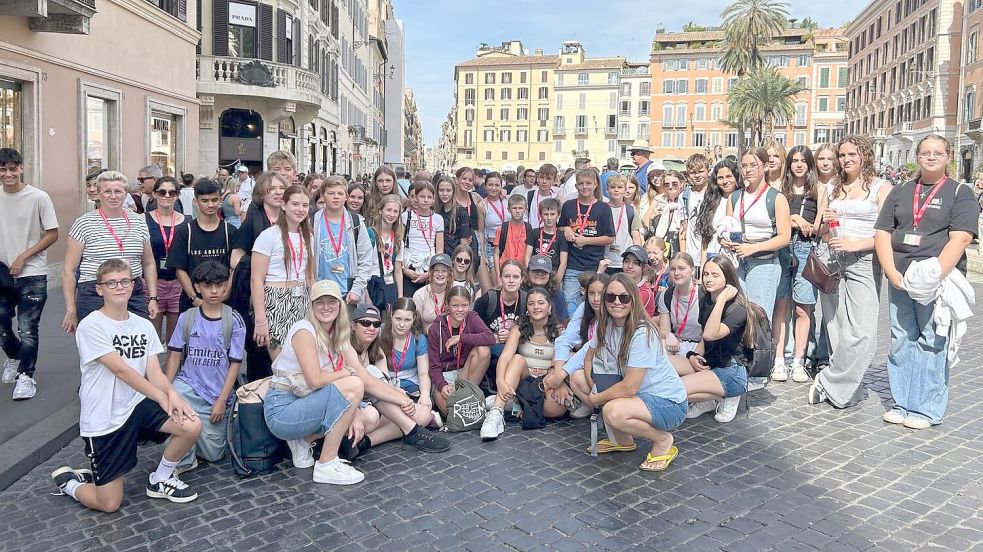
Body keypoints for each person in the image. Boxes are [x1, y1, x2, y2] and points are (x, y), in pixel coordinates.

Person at [52, 259, 202, 512]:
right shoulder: (91, 325)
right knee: (109, 504)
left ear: (133, 285)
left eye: (124, 281)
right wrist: (162, 398)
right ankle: (70, 483)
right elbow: (121, 370)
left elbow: (153, 370)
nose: (119, 287)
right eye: (111, 283)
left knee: (191, 424)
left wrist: (173, 396)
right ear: (100, 289)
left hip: (136, 404)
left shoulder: (143, 324)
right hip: (105, 416)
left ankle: (161, 478)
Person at [872, 135, 979, 428]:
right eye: (926, 153)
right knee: (901, 339)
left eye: (938, 153)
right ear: (918, 157)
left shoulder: (960, 192)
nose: (931, 157)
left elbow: (961, 237)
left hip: (936, 281)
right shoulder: (901, 190)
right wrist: (892, 271)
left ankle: (926, 408)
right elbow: (882, 231)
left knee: (932, 340)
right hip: (901, 278)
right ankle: (902, 402)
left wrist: (933, 276)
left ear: (948, 157)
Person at [811, 135, 892, 409]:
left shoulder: (881, 187)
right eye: (842, 155)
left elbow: (888, 233)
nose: (846, 160)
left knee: (864, 330)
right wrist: (824, 227)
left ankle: (829, 380)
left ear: (864, 156)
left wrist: (856, 244)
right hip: (832, 259)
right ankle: (848, 390)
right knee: (836, 325)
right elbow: (819, 229)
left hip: (865, 260)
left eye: (852, 155)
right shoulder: (832, 186)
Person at [263, 280, 366, 485]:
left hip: (305, 400)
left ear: (340, 305)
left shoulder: (336, 332)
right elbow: (316, 380)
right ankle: (327, 463)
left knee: (367, 416)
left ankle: (303, 441)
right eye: (319, 302)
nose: (326, 307)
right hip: (283, 408)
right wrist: (347, 373)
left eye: (331, 301)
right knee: (354, 385)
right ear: (311, 305)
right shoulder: (304, 331)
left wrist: (355, 412)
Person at [583, 273, 688, 471]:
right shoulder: (605, 323)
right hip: (638, 395)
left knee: (612, 410)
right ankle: (623, 441)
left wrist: (597, 399)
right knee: (580, 380)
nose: (616, 302)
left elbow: (630, 387)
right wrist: (591, 387)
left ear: (633, 300)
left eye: (624, 298)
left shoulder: (642, 332)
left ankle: (663, 440)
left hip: (668, 402)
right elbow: (587, 358)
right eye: (610, 297)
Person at [163, 260, 246, 472]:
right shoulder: (187, 317)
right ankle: (182, 459)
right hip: (188, 386)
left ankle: (193, 439)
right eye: (208, 286)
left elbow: (235, 364)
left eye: (219, 285)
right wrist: (167, 390)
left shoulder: (234, 321)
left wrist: (221, 399)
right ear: (198, 287)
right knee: (176, 411)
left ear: (226, 285)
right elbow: (174, 356)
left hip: (216, 393)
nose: (214, 291)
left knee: (213, 454)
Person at [346, 303, 448, 456]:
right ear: (353, 326)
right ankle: (412, 431)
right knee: (375, 411)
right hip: (353, 408)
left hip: (374, 404)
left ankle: (364, 442)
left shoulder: (376, 349)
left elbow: (384, 383)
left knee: (424, 414)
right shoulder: (346, 347)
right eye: (365, 323)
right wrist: (402, 399)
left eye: (376, 324)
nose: (371, 328)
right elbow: (369, 382)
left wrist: (403, 396)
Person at [63, 171, 159, 332]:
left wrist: (153, 298)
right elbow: (69, 270)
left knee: (137, 343)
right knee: (98, 349)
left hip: (131, 291)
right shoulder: (84, 224)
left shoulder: (139, 222)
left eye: (118, 191)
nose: (113, 196)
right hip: (95, 292)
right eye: (107, 191)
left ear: (125, 194)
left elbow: (148, 263)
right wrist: (71, 309)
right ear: (99, 194)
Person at [0, 147, 59, 400]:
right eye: (3, 169)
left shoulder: (38, 197)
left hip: (31, 274)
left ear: (21, 168)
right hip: (1, 272)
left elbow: (52, 233)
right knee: (2, 325)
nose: (8, 174)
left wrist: (24, 256)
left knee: (27, 327)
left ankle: (27, 376)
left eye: (12, 169)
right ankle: (14, 357)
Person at [673, 256, 754, 424]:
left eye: (715, 275)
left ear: (728, 278)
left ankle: (730, 394)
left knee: (677, 389)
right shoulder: (705, 299)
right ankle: (708, 400)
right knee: (664, 364)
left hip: (730, 370)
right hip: (709, 362)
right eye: (706, 274)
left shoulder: (737, 309)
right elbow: (704, 337)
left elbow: (711, 334)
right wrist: (693, 356)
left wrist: (722, 300)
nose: (708, 279)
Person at [480, 288, 565, 440]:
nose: (536, 307)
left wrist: (557, 380)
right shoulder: (518, 328)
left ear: (549, 307)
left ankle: (515, 404)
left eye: (541, 303)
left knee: (555, 410)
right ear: (527, 309)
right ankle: (496, 412)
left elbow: (560, 363)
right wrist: (500, 381)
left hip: (546, 381)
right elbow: (505, 357)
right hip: (524, 377)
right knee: (517, 359)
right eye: (531, 303)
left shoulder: (559, 332)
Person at [721, 148, 792, 324]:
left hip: (764, 262)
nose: (748, 170)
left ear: (766, 166)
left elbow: (784, 237)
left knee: (758, 316)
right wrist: (723, 239)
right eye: (744, 166)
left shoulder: (776, 198)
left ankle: (761, 351)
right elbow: (727, 226)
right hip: (738, 262)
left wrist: (753, 247)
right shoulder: (735, 197)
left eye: (754, 165)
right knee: (737, 313)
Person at [771, 146, 824, 383]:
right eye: (794, 160)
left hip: (806, 249)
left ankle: (799, 361)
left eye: (803, 160)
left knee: (804, 308)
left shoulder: (820, 190)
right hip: (783, 249)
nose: (799, 164)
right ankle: (779, 359)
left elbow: (819, 227)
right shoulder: (780, 188)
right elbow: (774, 221)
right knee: (781, 306)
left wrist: (804, 224)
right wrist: (793, 218)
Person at [251, 185, 314, 360]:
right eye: (295, 204)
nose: (300, 210)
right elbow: (256, 280)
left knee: (301, 360)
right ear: (284, 205)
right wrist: (261, 319)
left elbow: (310, 275)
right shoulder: (268, 236)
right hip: (275, 300)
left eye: (305, 205)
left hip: (302, 299)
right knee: (281, 363)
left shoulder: (308, 236)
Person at [168, 178, 239, 313]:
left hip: (224, 303)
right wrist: (194, 298)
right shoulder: (185, 232)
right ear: (196, 202)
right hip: (192, 304)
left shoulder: (230, 232)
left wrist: (225, 294)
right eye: (205, 201)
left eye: (214, 200)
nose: (210, 205)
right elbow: (180, 269)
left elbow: (234, 268)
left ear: (220, 201)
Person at [427, 285, 495, 416]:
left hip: (465, 373)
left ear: (469, 305)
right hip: (444, 376)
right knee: (451, 413)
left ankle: (469, 397)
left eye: (464, 305)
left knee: (483, 349)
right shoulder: (436, 328)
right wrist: (442, 386)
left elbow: (490, 338)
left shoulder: (472, 317)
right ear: (447, 305)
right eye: (455, 306)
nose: (460, 310)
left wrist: (461, 338)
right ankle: (470, 406)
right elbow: (434, 366)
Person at [559, 169, 615, 317]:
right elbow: (559, 226)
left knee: (594, 306)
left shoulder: (603, 208)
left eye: (588, 183)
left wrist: (586, 240)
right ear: (576, 186)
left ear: (596, 185)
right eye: (581, 184)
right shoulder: (568, 206)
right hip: (572, 265)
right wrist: (566, 229)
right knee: (569, 305)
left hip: (594, 266)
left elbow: (610, 237)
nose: (584, 187)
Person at [312, 176, 375, 304]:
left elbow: (366, 259)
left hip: (348, 293)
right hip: (320, 292)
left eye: (340, 193)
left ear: (346, 197)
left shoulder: (356, 223)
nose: (336, 197)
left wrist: (357, 289)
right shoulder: (312, 223)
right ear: (322, 196)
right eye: (331, 193)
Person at [145, 177, 186, 343]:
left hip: (178, 283)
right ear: (155, 194)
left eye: (172, 192)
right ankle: (151, 370)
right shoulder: (143, 220)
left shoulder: (187, 221)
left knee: (175, 341)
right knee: (151, 339)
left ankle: (172, 370)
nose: (167, 195)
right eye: (162, 192)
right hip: (152, 283)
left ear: (177, 195)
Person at [473, 260, 527, 387]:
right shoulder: (487, 300)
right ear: (500, 278)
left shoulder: (526, 300)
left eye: (516, 277)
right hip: (492, 351)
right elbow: (472, 328)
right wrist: (490, 337)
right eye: (507, 276)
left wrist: (513, 337)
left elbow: (533, 330)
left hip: (517, 350)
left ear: (522, 279)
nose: (511, 281)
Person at [378, 298, 433, 403]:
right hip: (385, 383)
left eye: (407, 320)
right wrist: (394, 390)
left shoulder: (418, 339)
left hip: (411, 385)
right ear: (391, 315)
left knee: (422, 408)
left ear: (414, 318)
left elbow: (423, 373)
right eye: (398, 319)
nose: (402, 325)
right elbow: (380, 373)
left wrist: (425, 395)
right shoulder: (380, 333)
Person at [397, 181, 443, 298]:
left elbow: (439, 250)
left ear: (434, 199)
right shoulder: (405, 216)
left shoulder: (438, 219)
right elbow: (399, 244)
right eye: (422, 196)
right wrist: (404, 269)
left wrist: (429, 274)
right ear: (416, 198)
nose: (426, 200)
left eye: (429, 197)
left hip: (429, 266)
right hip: (409, 265)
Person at [658, 253, 702, 356]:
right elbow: (664, 329)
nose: (676, 273)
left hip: (699, 346)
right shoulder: (666, 295)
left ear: (692, 270)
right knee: (657, 347)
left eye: (681, 268)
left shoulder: (703, 295)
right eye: (673, 269)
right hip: (677, 343)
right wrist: (668, 335)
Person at [455, 167, 490, 291]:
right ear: (457, 179)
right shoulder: (450, 198)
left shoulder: (475, 197)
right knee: (460, 288)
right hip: (457, 245)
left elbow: (481, 230)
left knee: (487, 289)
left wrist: (483, 253)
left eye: (470, 180)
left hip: (476, 244)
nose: (467, 182)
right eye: (464, 178)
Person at [599, 174, 643, 274]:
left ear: (624, 189)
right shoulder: (602, 209)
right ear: (607, 189)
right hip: (605, 259)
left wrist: (639, 258)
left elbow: (636, 236)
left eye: (619, 187)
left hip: (625, 261)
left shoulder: (630, 210)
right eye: (612, 187)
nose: (616, 190)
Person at [366, 194, 402, 310]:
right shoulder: (370, 234)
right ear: (381, 210)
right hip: (372, 284)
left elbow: (397, 270)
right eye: (388, 210)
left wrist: (400, 296)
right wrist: (366, 294)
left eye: (395, 211)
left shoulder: (397, 237)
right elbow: (363, 267)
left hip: (389, 284)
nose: (392, 214)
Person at [524, 197, 568, 280]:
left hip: (552, 274)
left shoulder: (561, 236)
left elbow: (563, 262)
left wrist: (556, 282)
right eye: (545, 214)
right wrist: (528, 275)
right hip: (535, 272)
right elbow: (527, 256)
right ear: (540, 215)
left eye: (552, 214)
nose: (549, 218)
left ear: (558, 215)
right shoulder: (534, 233)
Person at [679, 154, 712, 263]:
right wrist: (683, 255)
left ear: (708, 171)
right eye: (693, 173)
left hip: (710, 250)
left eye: (701, 171)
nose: (697, 175)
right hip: (691, 251)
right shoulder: (685, 196)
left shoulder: (714, 193)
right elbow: (683, 227)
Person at [482, 172, 508, 288]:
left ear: (501, 186)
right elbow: (481, 231)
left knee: (509, 283)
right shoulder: (482, 205)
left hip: (509, 246)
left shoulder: (507, 200)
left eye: (497, 185)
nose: (494, 188)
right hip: (492, 248)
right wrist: (483, 254)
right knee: (497, 284)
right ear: (485, 186)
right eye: (490, 185)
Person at [413, 254, 453, 330]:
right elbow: (417, 325)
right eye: (436, 270)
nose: (440, 274)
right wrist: (433, 334)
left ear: (449, 274)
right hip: (427, 335)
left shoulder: (454, 292)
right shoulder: (419, 295)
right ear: (431, 273)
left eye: (444, 271)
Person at [435, 175, 472, 256]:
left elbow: (464, 246)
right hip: (438, 258)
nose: (444, 194)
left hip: (454, 258)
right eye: (441, 190)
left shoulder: (462, 213)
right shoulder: (435, 211)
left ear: (453, 191)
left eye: (448, 190)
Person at [524, 255, 567, 324]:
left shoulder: (557, 293)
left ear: (550, 274)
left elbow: (562, 319)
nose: (540, 274)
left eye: (544, 271)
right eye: (536, 270)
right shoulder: (521, 291)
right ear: (528, 272)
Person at [495, 194, 532, 270]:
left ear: (525, 209)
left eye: (520, 208)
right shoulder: (502, 228)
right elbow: (496, 254)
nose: (517, 211)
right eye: (514, 208)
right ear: (508, 209)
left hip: (523, 270)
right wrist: (498, 276)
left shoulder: (529, 229)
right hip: (505, 268)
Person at [622, 245, 657, 317]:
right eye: (627, 261)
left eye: (635, 263)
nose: (630, 266)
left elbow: (622, 312)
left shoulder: (644, 292)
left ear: (644, 268)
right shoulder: (620, 284)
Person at [526, 164, 559, 229]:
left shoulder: (556, 199)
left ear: (554, 181)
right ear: (537, 178)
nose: (544, 181)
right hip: (533, 235)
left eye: (548, 179)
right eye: (542, 177)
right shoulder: (529, 196)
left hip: (551, 236)